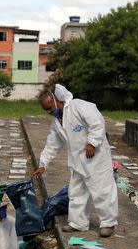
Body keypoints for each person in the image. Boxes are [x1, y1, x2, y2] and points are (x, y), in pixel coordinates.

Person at [32, 84, 118, 238]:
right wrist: (43, 164)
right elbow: (52, 144)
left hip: (95, 158)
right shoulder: (57, 122)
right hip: (77, 161)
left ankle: (108, 223)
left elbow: (97, 122)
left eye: (50, 107)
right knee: (77, 192)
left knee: (102, 190)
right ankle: (78, 223)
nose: (50, 111)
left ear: (57, 100)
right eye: (46, 110)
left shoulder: (79, 107)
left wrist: (92, 142)